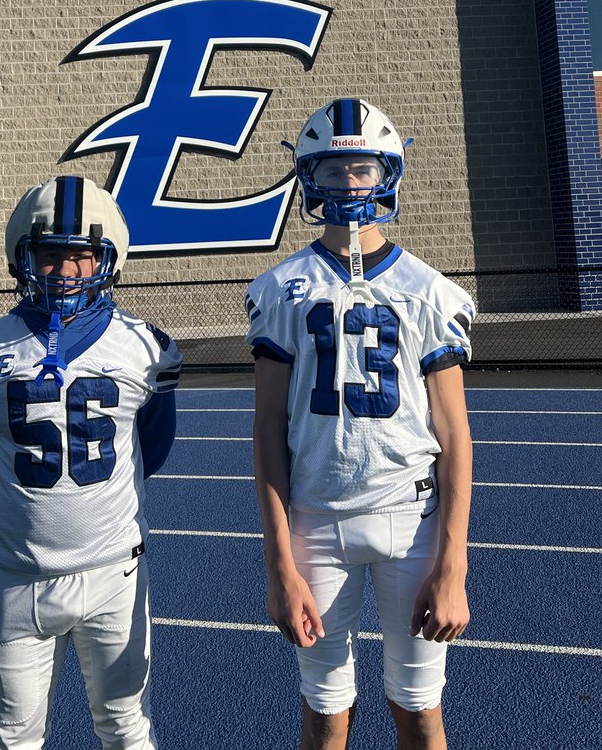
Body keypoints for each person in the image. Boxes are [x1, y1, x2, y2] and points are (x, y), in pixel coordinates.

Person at [247, 99, 474, 750]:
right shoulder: (282, 288)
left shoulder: (429, 290)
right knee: (324, 712)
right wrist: (279, 566)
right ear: (308, 179)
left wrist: (453, 567)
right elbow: (267, 430)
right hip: (315, 521)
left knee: (419, 708)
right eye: (334, 169)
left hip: (414, 522)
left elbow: (454, 437)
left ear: (389, 174)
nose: (349, 184)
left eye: (363, 168)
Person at [0, 175, 182, 750]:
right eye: (51, 256)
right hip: (18, 576)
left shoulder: (146, 347)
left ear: (109, 259)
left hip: (112, 573)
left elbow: (150, 448)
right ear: (23, 258)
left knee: (126, 728)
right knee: (15, 738)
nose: (65, 272)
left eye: (81, 256)